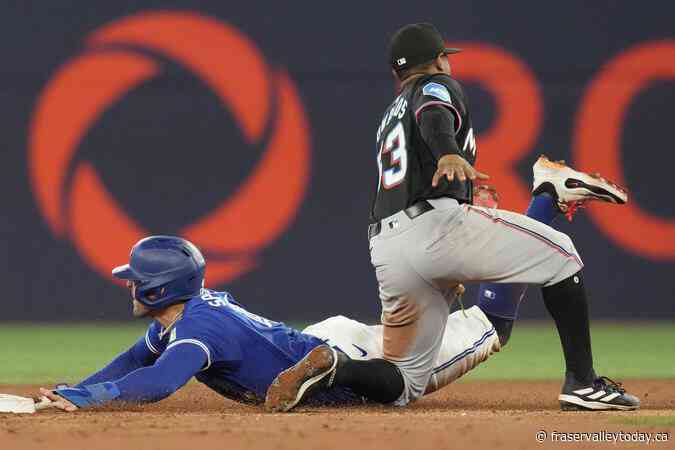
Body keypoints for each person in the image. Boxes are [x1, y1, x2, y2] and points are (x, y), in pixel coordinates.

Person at [263, 23, 640, 413]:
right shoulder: (433, 85)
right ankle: (582, 382)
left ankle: (337, 371)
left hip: (388, 247)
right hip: (436, 227)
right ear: (438, 60)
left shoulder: (387, 118)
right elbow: (434, 112)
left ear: (397, 72)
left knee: (404, 380)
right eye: (445, 57)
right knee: (562, 254)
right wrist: (447, 151)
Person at [38, 235, 498, 412]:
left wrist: (88, 398)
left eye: (136, 280)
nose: (128, 285)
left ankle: (543, 202)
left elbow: (160, 380)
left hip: (352, 363)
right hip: (321, 342)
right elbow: (137, 357)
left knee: (492, 328)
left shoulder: (197, 331)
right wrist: (77, 390)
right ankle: (436, 291)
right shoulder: (184, 313)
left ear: (159, 290)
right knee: (423, 325)